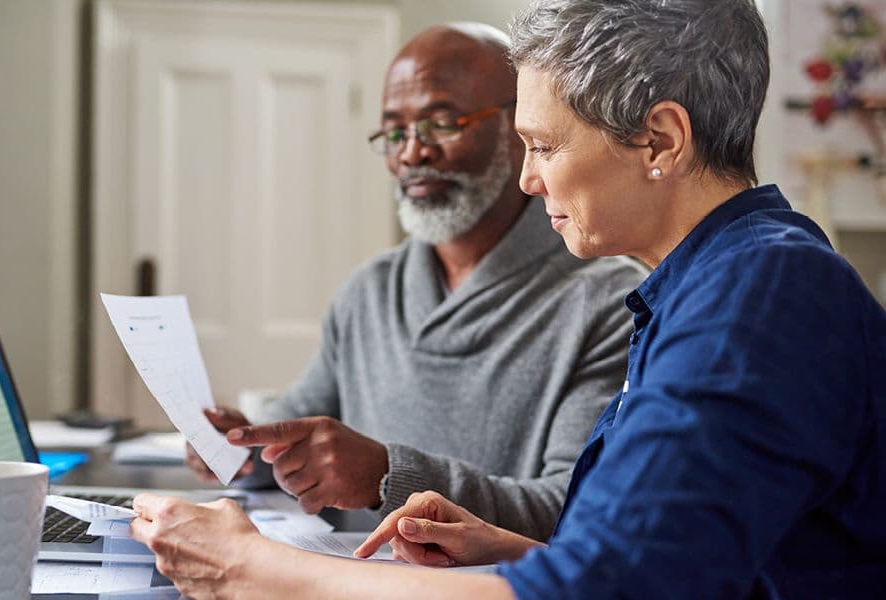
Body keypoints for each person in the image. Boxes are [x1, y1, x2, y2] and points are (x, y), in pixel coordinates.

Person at [131, 0, 886, 597]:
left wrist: (254, 573)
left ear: (659, 140)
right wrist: (510, 550)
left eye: (546, 146)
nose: (529, 180)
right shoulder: (702, 287)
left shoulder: (757, 295)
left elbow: (606, 590)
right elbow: (677, 567)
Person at [185, 22, 647, 541]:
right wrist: (243, 446)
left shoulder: (610, 302)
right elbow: (297, 435)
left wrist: (388, 476)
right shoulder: (370, 292)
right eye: (395, 132)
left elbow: (573, 505)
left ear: (520, 130)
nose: (411, 153)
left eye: (441, 123)